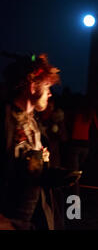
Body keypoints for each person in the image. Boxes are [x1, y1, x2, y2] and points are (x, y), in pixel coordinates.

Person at [0, 53, 80, 230]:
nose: (50, 93)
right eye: (47, 86)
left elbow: (31, 174)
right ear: (32, 85)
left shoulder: (33, 123)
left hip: (32, 220)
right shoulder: (5, 117)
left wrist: (54, 175)